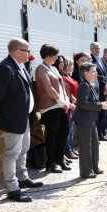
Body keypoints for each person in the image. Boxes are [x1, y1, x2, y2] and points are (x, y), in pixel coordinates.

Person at [0, 38, 43, 202]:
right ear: (17, 51)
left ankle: (22, 178)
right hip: (12, 119)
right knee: (12, 153)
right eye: (27, 51)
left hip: (23, 117)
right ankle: (12, 188)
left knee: (23, 149)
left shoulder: (19, 65)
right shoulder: (6, 68)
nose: (30, 54)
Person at [35, 44, 75, 172]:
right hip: (50, 107)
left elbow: (61, 87)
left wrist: (67, 102)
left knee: (64, 132)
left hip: (61, 105)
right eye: (55, 55)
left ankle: (60, 159)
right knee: (53, 134)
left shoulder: (53, 68)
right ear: (48, 55)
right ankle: (51, 163)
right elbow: (49, 88)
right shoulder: (41, 69)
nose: (57, 57)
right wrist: (62, 102)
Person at [74, 62, 107, 178]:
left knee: (94, 145)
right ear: (85, 73)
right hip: (84, 121)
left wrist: (102, 103)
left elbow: (92, 102)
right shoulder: (84, 85)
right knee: (85, 147)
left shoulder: (92, 85)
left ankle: (95, 167)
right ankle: (86, 172)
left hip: (91, 120)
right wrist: (99, 105)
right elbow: (83, 104)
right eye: (93, 71)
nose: (96, 74)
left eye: (96, 71)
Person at [61, 57, 79, 160]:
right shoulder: (64, 77)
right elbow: (68, 92)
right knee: (69, 130)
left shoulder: (69, 76)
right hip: (70, 105)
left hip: (74, 105)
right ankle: (68, 150)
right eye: (71, 65)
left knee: (71, 130)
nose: (72, 67)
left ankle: (71, 149)